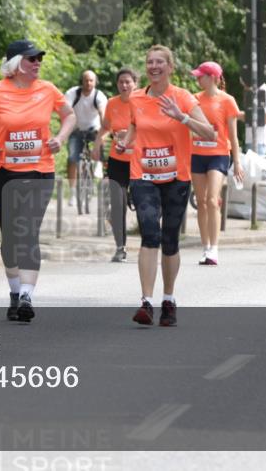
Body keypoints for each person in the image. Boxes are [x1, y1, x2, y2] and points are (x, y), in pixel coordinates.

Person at [0, 39, 76, 322]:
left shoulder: (47, 90)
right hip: (4, 174)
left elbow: (68, 115)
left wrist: (60, 137)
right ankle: (14, 291)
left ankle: (26, 295)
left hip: (39, 172)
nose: (37, 63)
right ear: (15, 63)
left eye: (39, 59)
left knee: (28, 232)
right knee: (10, 237)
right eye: (32, 58)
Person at [113, 45, 215, 327]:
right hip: (143, 176)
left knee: (169, 239)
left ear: (170, 67)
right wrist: (126, 142)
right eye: (149, 62)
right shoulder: (136, 98)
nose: (154, 66)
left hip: (176, 178)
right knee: (149, 233)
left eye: (160, 62)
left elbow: (209, 131)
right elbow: (135, 126)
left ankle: (168, 300)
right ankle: (146, 302)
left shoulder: (182, 97)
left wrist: (181, 117)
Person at [189, 62, 245, 266]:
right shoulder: (194, 99)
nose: (197, 79)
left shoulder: (227, 100)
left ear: (212, 77)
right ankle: (205, 247)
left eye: (200, 76)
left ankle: (214, 248)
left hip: (219, 154)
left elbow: (233, 135)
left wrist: (237, 161)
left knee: (212, 200)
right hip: (197, 154)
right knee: (201, 202)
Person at [92, 67, 138, 263]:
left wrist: (129, 136)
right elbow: (105, 126)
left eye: (128, 82)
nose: (124, 85)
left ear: (135, 83)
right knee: (118, 206)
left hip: (139, 162)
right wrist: (97, 144)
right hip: (117, 161)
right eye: (121, 82)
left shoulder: (143, 102)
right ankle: (121, 248)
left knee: (142, 203)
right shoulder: (112, 103)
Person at [65, 70, 108, 208]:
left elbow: (103, 114)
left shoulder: (99, 95)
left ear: (95, 82)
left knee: (99, 141)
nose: (88, 83)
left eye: (91, 80)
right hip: (76, 128)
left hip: (94, 128)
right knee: (72, 158)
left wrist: (104, 131)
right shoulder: (72, 93)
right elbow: (66, 111)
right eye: (86, 80)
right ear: (81, 81)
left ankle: (98, 163)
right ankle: (72, 192)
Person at [239, 81, 266, 156]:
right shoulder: (256, 93)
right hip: (255, 140)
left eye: (245, 85)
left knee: (254, 166)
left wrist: (242, 116)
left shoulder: (264, 93)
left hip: (259, 141)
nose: (244, 88)